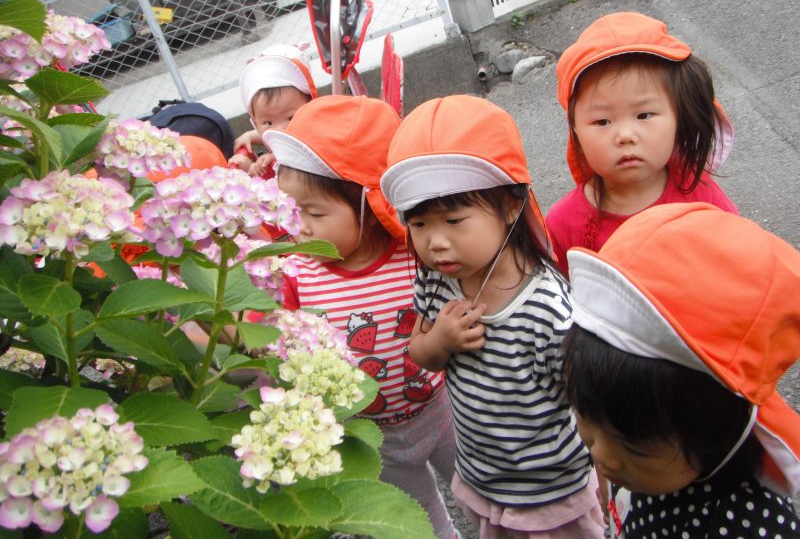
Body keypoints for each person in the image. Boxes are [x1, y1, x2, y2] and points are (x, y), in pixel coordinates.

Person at [380, 95, 605, 539]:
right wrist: (440, 341)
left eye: (454, 219)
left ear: (509, 205)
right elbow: (420, 354)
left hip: (552, 493)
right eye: (419, 224)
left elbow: (591, 408)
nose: (435, 242)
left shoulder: (549, 309)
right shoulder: (436, 281)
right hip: (484, 480)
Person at [263, 95, 460, 539]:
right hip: (372, 435)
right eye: (293, 211)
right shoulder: (296, 273)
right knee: (419, 516)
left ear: (370, 207)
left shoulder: (412, 254)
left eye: (314, 213)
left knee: (478, 491)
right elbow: (277, 344)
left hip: (442, 410)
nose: (301, 227)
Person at [561, 202, 800, 538]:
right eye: (585, 415)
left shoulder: (750, 526)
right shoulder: (652, 468)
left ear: (720, 426)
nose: (601, 456)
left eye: (631, 443)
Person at [546, 11, 738, 277]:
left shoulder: (702, 195)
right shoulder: (564, 224)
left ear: (677, 117)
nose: (625, 135)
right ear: (576, 130)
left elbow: (742, 260)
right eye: (602, 121)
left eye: (644, 115)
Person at [228, 43, 317, 177]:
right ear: (255, 123)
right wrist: (250, 136)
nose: (279, 130)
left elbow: (272, 176)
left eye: (290, 118)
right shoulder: (283, 133)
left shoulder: (311, 142)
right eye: (268, 123)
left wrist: (250, 168)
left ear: (310, 106)